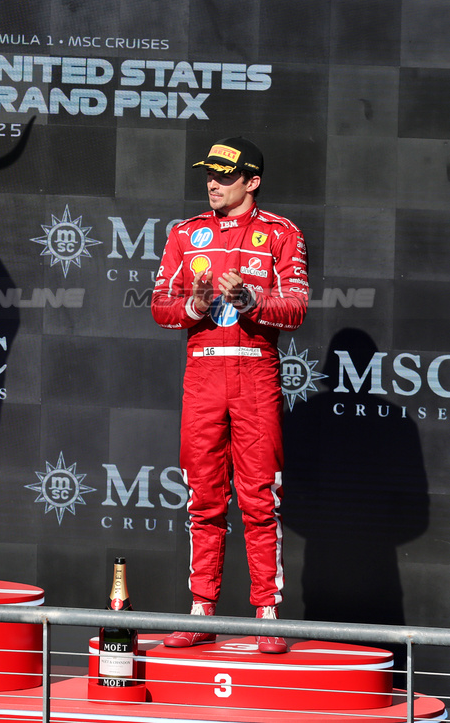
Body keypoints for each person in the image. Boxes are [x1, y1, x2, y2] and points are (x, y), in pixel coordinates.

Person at [151, 136, 308, 653]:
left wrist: (250, 299)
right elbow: (160, 307)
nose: (213, 182)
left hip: (255, 373)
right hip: (202, 375)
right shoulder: (185, 233)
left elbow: (297, 307)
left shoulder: (282, 233)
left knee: (260, 497)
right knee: (204, 499)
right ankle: (201, 611)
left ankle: (268, 615)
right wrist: (195, 304)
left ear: (252, 181)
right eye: (209, 173)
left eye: (225, 173)